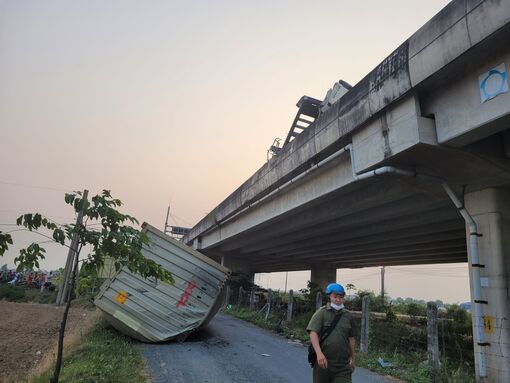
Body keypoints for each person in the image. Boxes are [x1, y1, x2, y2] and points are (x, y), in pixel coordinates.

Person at [307, 282, 356, 383]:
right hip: (323, 363)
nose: (338, 300)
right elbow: (313, 333)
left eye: (341, 297)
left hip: (343, 365)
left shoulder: (348, 316)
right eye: (335, 297)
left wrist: (353, 358)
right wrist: (319, 354)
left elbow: (351, 338)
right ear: (329, 296)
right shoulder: (322, 313)